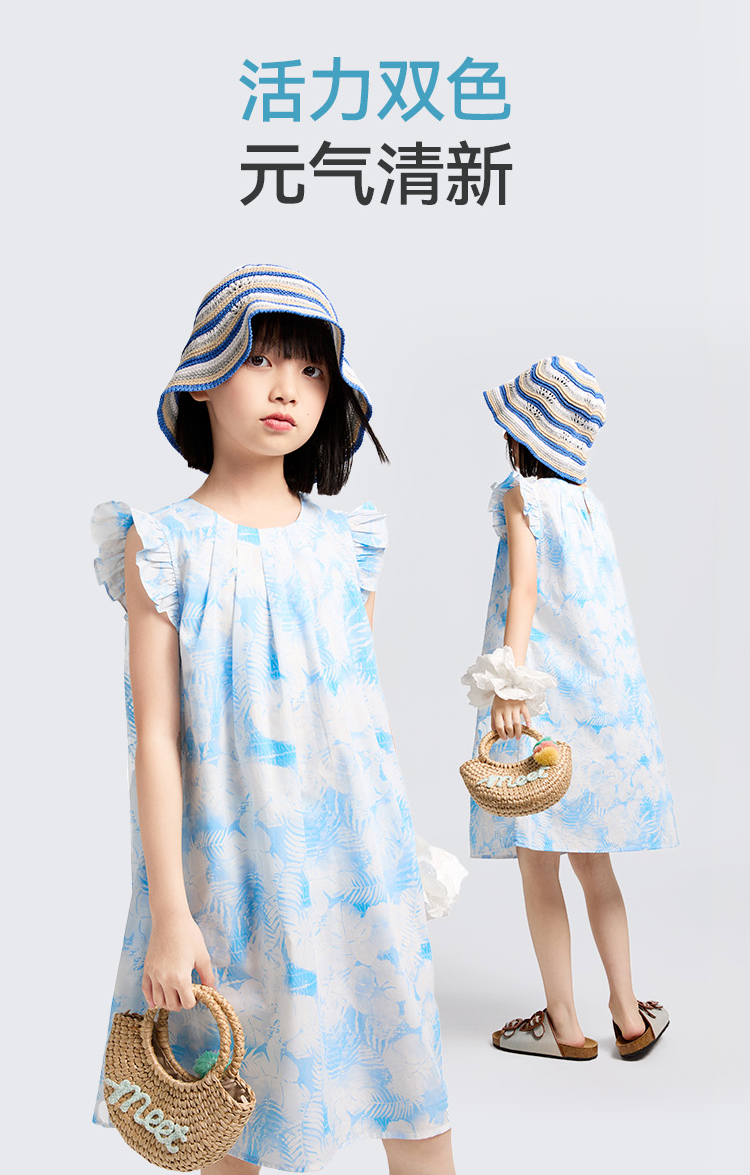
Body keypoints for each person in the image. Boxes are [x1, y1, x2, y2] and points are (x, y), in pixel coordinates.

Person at [90, 264, 456, 1173]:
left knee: (414, 1100)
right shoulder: (162, 544)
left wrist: (397, 862)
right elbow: (156, 741)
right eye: (260, 359)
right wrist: (170, 912)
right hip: (229, 879)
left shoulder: (345, 545)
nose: (288, 387)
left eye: (311, 368)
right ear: (204, 376)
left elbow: (354, 729)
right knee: (232, 1120)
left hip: (357, 868)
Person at [462, 356, 677, 1062]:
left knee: (539, 866)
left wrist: (509, 683)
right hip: (599, 710)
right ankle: (628, 1017)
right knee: (596, 868)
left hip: (543, 707)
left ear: (522, 435)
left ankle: (565, 1027)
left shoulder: (522, 496)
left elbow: (524, 591)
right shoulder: (589, 505)